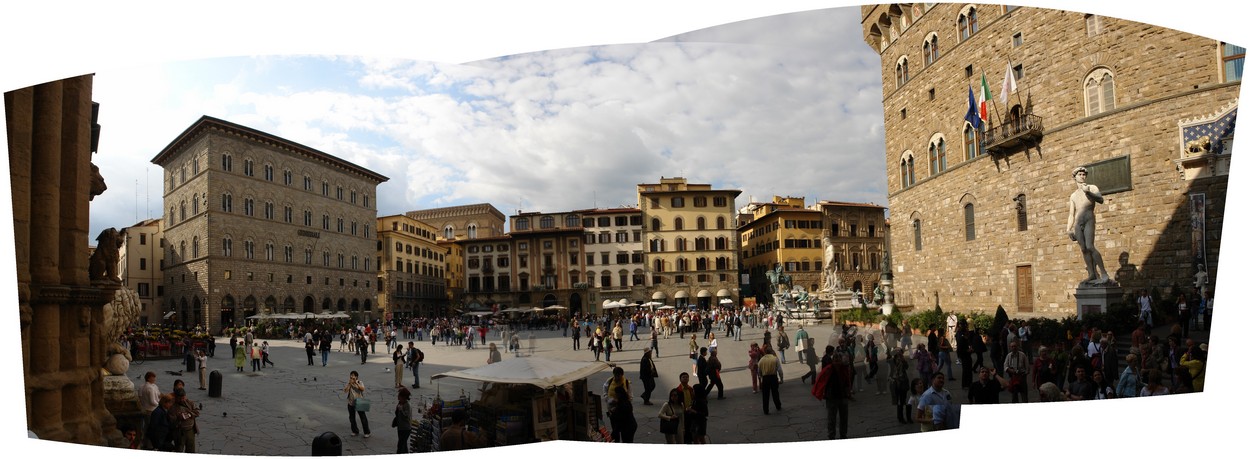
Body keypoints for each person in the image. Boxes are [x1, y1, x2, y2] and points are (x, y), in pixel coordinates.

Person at [1067, 166, 1111, 284]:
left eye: (1083, 174)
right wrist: (1068, 229)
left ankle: (1103, 273)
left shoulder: (1092, 187)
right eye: (1080, 175)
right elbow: (1071, 213)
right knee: (1084, 249)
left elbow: (1100, 200)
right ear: (1075, 177)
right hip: (1078, 222)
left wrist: (1088, 192)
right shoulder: (1073, 195)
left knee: (1090, 246)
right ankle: (1092, 273)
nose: (1082, 176)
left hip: (1089, 219)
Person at [823, 351, 854, 440]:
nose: (837, 361)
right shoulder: (828, 370)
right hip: (832, 398)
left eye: (838, 359)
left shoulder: (844, 369)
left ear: (841, 360)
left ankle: (843, 435)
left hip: (843, 397)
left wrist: (848, 393)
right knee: (831, 419)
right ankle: (831, 436)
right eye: (835, 359)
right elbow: (823, 382)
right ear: (833, 361)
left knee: (844, 418)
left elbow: (848, 381)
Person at [168, 387, 200, 452]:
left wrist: (189, 414)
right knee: (179, 449)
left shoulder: (189, 403)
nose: (182, 400)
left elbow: (197, 412)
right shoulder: (172, 406)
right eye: (180, 398)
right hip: (179, 432)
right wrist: (178, 418)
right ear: (176, 397)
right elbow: (171, 420)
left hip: (190, 430)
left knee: (191, 449)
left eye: (183, 398)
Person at [343, 370, 371, 437]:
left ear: (356, 377)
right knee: (352, 418)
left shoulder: (360, 382)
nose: (352, 377)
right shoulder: (349, 383)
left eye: (353, 375)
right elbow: (345, 391)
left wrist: (356, 383)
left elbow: (362, 389)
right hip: (351, 402)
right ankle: (355, 431)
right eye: (351, 375)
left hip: (359, 402)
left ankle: (367, 432)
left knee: (363, 417)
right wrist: (349, 384)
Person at [887, 349, 911, 423]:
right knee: (899, 401)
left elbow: (906, 367)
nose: (899, 355)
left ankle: (908, 417)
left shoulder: (903, 360)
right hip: (895, 383)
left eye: (900, 353)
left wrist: (903, 359)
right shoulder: (891, 361)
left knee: (906, 400)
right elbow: (889, 371)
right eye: (898, 354)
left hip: (903, 382)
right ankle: (900, 417)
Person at [758, 344, 782, 414]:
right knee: (775, 392)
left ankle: (765, 409)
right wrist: (781, 378)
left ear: (765, 352)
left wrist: (761, 377)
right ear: (771, 352)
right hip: (773, 377)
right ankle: (778, 405)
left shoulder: (762, 360)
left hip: (765, 378)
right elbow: (780, 370)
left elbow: (759, 371)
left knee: (765, 395)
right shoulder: (775, 359)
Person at [394, 387, 412, 453]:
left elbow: (406, 417)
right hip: (400, 427)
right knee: (403, 445)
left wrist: (401, 410)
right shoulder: (400, 403)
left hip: (406, 428)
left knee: (400, 445)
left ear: (404, 397)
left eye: (399, 396)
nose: (398, 397)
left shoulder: (407, 405)